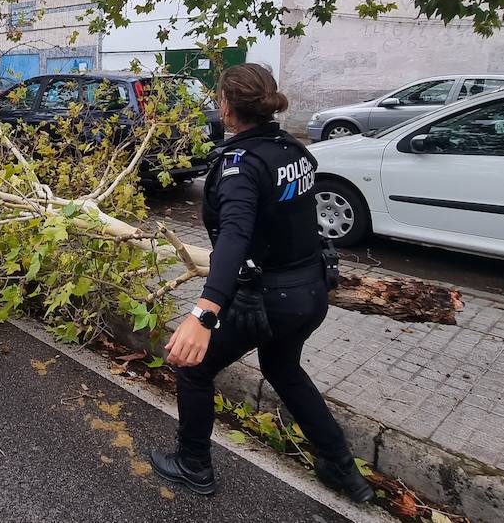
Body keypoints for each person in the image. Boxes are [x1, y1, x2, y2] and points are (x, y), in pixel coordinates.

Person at [150, 64, 372, 502]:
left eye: (219, 98)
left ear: (227, 107)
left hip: (269, 300)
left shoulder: (243, 165)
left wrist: (203, 313)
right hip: (311, 291)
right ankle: (343, 470)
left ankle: (193, 464)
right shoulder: (293, 149)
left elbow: (233, 236)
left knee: (192, 365)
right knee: (283, 368)